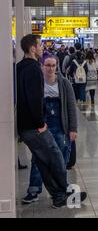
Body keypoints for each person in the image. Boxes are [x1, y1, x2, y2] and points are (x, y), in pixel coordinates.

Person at [17, 35, 87, 209]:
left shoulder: (19, 67)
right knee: (55, 157)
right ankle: (65, 192)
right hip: (35, 126)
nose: (41, 48)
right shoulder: (33, 69)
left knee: (42, 160)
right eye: (39, 45)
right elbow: (34, 99)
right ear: (33, 49)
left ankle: (58, 196)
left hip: (25, 125)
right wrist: (40, 123)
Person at [22, 55, 79, 204]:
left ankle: (61, 191)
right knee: (38, 157)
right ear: (42, 66)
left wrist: (73, 128)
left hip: (60, 124)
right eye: (48, 65)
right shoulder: (37, 83)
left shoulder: (65, 83)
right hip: (43, 125)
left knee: (59, 159)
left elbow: (71, 107)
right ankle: (33, 190)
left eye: (53, 65)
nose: (51, 68)